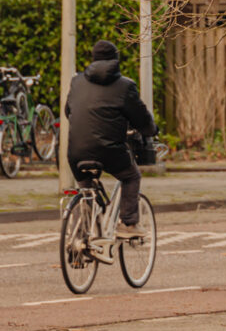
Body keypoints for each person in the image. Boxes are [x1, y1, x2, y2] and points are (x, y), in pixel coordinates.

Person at [65, 39, 157, 239]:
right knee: (131, 176)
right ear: (116, 60)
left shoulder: (76, 82)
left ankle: (79, 238)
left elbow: (68, 111)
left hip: (75, 152)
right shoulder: (125, 86)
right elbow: (141, 119)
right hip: (109, 151)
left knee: (86, 188)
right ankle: (129, 223)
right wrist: (150, 130)